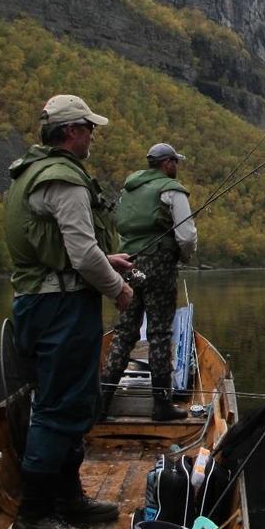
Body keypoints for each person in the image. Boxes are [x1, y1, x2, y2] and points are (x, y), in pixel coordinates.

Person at [3, 94, 135, 529]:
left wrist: (108, 258)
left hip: (42, 304)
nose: (93, 135)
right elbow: (80, 253)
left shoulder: (31, 173)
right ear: (71, 131)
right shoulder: (65, 180)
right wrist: (117, 288)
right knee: (61, 407)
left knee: (72, 400)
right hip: (60, 309)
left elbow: (68, 249)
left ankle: (68, 498)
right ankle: (34, 518)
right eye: (89, 128)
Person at [100, 142, 197, 421]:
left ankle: (103, 402)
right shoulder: (171, 190)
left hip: (129, 268)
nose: (176, 167)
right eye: (175, 162)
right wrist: (185, 256)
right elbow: (187, 236)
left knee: (125, 331)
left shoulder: (127, 192)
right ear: (166, 163)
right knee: (159, 334)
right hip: (159, 268)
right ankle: (162, 405)